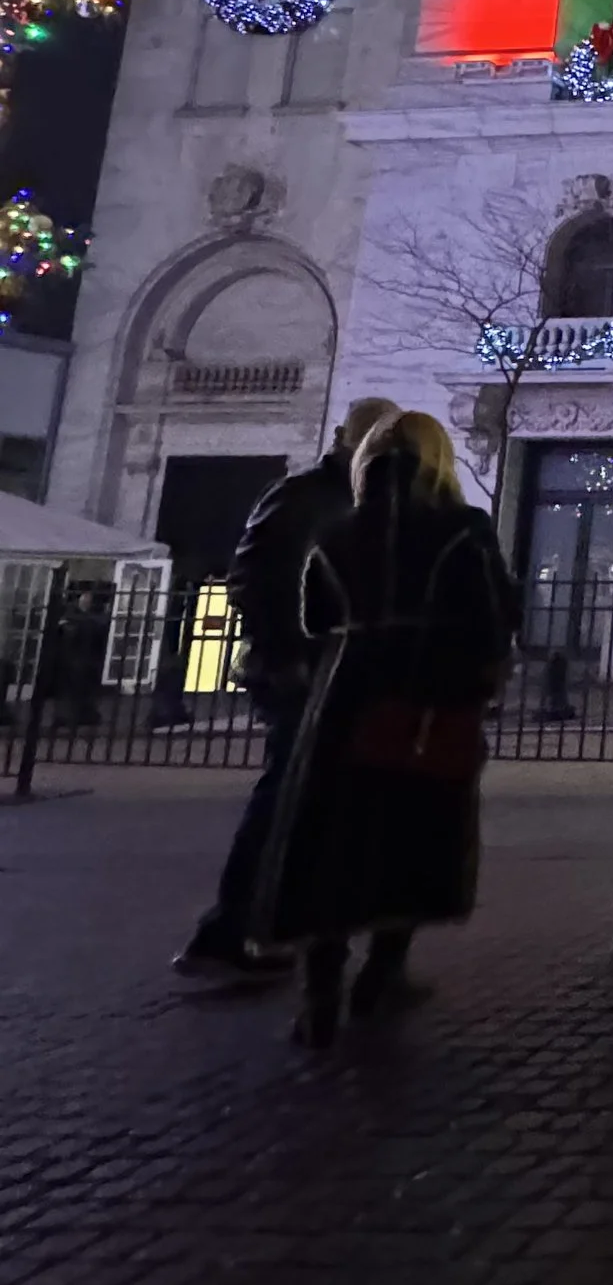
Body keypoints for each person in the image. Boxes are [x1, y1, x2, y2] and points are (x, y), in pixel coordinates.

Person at [255, 410, 519, 1049]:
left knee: (332, 835)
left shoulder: (338, 531)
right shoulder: (462, 530)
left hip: (347, 694)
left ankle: (320, 994)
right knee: (415, 822)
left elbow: (316, 619)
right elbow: (492, 614)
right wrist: (479, 677)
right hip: (430, 688)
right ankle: (383, 970)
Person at [174, 396, 400, 984]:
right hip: (303, 674)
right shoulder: (303, 496)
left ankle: (272, 922)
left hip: (339, 674)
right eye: (374, 436)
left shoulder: (360, 501)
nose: (381, 448)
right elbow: (252, 577)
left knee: (315, 806)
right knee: (285, 801)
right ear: (347, 438)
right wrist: (283, 655)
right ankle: (227, 930)